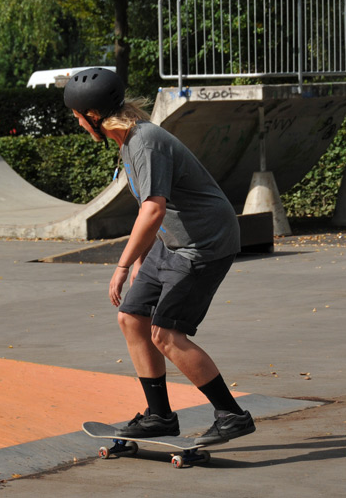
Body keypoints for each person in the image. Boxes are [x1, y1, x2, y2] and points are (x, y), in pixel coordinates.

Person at [63, 67, 255, 445]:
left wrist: (121, 266)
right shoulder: (129, 142)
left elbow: (153, 209)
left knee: (165, 334)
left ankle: (231, 415)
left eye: (78, 118)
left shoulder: (145, 142)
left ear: (94, 116)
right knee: (131, 318)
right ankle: (160, 417)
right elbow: (150, 209)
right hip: (172, 242)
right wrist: (141, 260)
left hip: (204, 242)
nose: (79, 124)